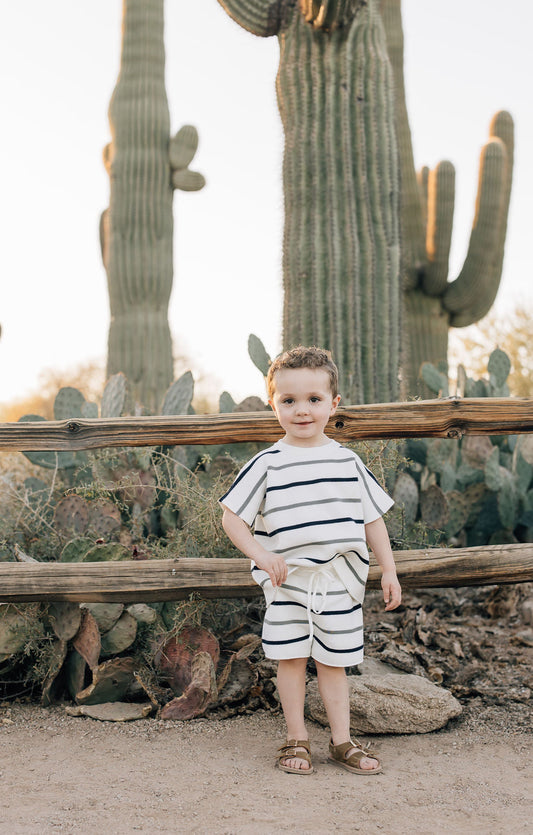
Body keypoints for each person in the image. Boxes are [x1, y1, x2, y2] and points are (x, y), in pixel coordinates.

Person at [219, 346, 401, 775]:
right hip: (287, 580)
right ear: (273, 404)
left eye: (314, 400)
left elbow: (372, 520)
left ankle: (342, 742)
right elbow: (232, 519)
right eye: (289, 400)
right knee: (292, 659)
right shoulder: (267, 463)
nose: (302, 410)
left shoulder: (347, 461)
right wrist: (262, 556)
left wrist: (389, 569)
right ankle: (296, 740)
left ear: (333, 404)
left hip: (340, 580)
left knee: (335, 662)